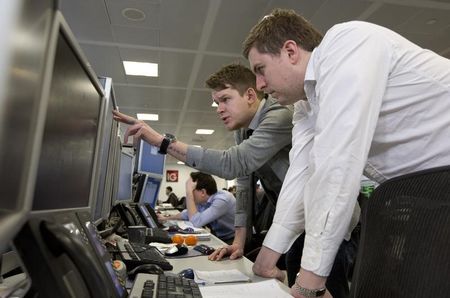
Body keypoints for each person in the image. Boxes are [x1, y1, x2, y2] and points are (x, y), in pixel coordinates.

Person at [242, 8, 450, 298]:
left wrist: (310, 284)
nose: (260, 85)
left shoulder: (346, 43)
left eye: (260, 69)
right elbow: (300, 177)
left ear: (290, 51)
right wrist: (265, 262)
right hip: (432, 192)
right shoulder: (306, 105)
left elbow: (336, 165)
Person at [113, 63, 293, 272]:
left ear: (251, 95)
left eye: (225, 99)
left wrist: (162, 142)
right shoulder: (243, 130)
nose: (220, 109)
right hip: (291, 212)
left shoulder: (279, 115)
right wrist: (238, 242)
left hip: (317, 212)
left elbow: (233, 164)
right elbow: (243, 185)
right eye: (217, 102)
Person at [159, 172, 236, 242]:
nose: (190, 193)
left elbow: (196, 222)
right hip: (219, 238)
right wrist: (166, 218)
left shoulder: (222, 200)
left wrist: (189, 193)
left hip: (232, 240)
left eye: (192, 190)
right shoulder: (203, 201)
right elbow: (185, 214)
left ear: (202, 192)